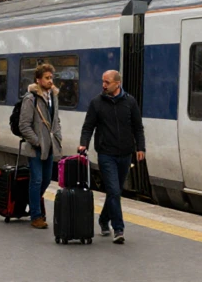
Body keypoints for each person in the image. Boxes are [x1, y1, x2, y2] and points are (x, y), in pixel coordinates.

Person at [78, 70, 145, 244]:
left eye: (107, 82)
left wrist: (140, 147)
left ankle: (103, 219)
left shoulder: (130, 102)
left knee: (115, 191)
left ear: (117, 83)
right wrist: (84, 144)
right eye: (103, 81)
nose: (103, 85)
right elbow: (88, 126)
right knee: (114, 191)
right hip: (106, 154)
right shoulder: (97, 103)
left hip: (125, 154)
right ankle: (119, 229)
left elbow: (138, 127)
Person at [18, 63, 63, 229]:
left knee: (46, 179)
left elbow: (56, 120)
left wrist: (57, 137)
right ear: (38, 80)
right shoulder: (31, 98)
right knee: (36, 180)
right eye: (47, 78)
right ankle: (36, 216)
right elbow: (24, 125)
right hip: (36, 147)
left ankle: (31, 203)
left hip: (50, 146)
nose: (50, 81)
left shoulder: (53, 97)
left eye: (51, 77)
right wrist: (37, 141)